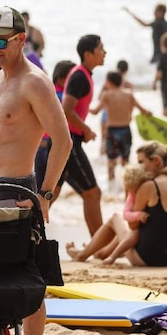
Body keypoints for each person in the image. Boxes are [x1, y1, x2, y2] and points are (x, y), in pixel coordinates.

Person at [0, 6, 72, 335]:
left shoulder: (35, 82)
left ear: (20, 39)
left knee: (31, 282)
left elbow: (62, 141)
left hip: (20, 188)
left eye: (1, 42)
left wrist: (45, 196)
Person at [66, 142, 167, 266]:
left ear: (156, 161)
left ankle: (82, 255)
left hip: (147, 258)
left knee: (116, 218)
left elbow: (132, 225)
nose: (138, 167)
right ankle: (98, 253)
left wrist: (130, 195)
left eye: (141, 162)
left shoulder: (150, 186)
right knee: (130, 231)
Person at [61, 34, 106, 236]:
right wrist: (86, 129)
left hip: (66, 140)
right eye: (101, 49)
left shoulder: (83, 74)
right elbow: (66, 109)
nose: (105, 53)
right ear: (88, 54)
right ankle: (100, 243)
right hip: (68, 142)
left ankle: (29, 239)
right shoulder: (80, 76)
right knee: (93, 193)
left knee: (49, 196)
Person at [90, 70, 151, 184]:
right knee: (125, 160)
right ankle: (127, 185)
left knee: (111, 161)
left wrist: (83, 107)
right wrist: (150, 115)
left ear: (108, 82)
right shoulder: (128, 94)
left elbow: (95, 111)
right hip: (126, 130)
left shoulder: (106, 95)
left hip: (112, 131)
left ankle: (111, 184)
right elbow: (143, 110)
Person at [34, 60, 75, 193]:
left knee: (39, 189)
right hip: (51, 147)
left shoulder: (48, 94)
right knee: (49, 191)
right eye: (72, 78)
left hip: (39, 147)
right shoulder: (62, 98)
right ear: (62, 80)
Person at [101, 165, 152, 264]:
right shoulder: (131, 197)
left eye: (137, 190)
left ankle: (97, 251)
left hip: (145, 228)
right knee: (132, 238)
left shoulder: (147, 186)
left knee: (118, 239)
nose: (135, 193)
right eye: (132, 191)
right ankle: (113, 256)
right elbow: (125, 214)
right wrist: (138, 215)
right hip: (135, 226)